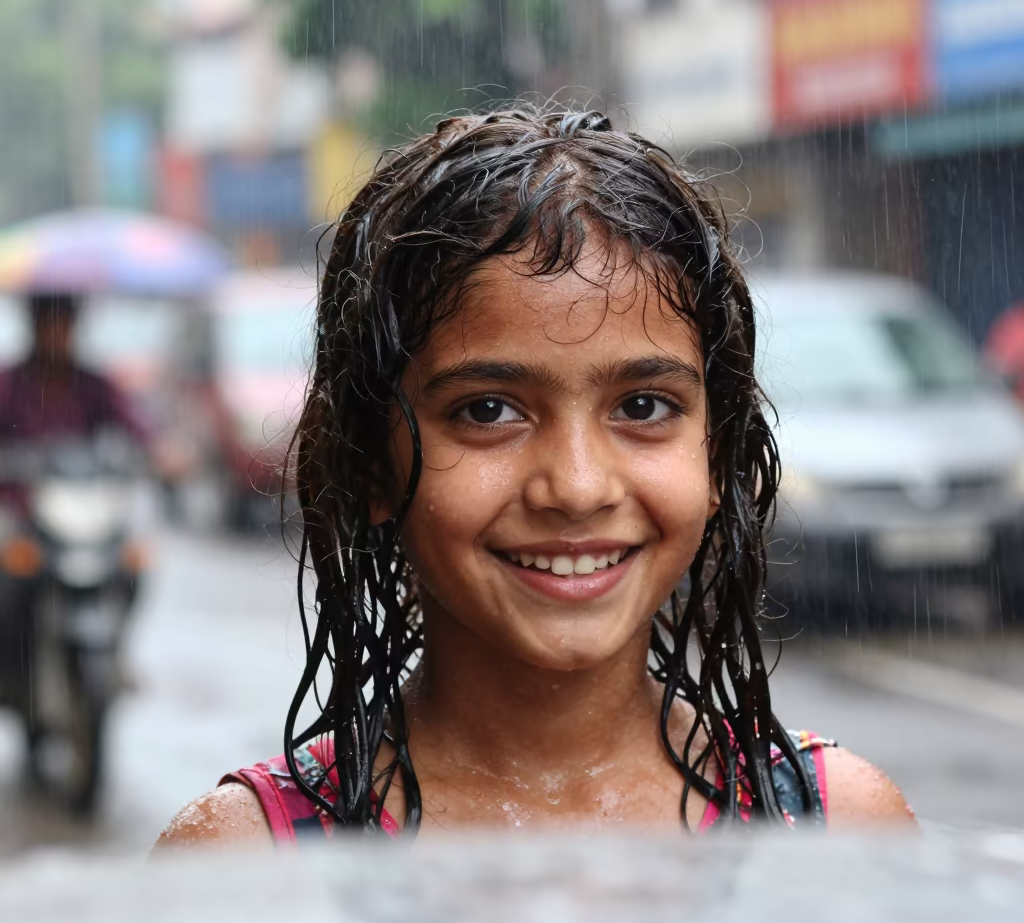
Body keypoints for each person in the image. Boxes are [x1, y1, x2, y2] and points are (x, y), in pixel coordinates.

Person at [157, 107, 913, 848]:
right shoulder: (249, 858)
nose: (579, 488)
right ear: (367, 464)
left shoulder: (835, 826)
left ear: (718, 454)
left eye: (644, 406)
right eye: (488, 411)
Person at [0, 292, 147, 447]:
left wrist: (161, 450)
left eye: (61, 328)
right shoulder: (8, 385)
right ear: (36, 328)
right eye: (48, 327)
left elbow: (133, 422)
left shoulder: (93, 386)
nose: (54, 338)